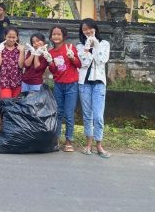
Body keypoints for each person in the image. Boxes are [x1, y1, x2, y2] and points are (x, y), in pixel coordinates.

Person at [76, 19, 111, 158]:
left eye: (90, 29)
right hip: (84, 83)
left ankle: (99, 145)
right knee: (87, 115)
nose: (88, 31)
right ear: (82, 31)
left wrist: (95, 45)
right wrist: (87, 46)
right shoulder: (79, 45)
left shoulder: (104, 43)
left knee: (98, 116)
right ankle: (88, 144)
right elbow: (84, 63)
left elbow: (101, 60)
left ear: (95, 29)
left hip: (99, 83)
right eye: (85, 30)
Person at [45, 25, 81, 152]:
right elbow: (54, 71)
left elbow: (79, 64)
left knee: (69, 113)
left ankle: (69, 140)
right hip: (58, 84)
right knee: (59, 113)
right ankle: (56, 139)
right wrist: (50, 62)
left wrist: (72, 57)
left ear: (63, 36)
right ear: (51, 36)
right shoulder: (50, 52)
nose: (56, 36)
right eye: (54, 34)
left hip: (71, 84)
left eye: (58, 34)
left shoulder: (70, 48)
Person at [0, 26, 25, 98]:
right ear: (5, 36)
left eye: (14, 37)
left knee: (15, 107)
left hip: (17, 82)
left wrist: (22, 51)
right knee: (6, 105)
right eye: (9, 37)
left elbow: (20, 65)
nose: (11, 39)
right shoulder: (0, 48)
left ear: (17, 37)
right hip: (4, 82)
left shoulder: (19, 49)